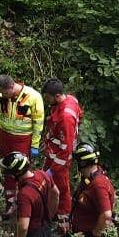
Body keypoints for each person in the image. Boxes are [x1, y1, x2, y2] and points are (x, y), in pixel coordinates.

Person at [0, 74, 44, 213]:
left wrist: (35, 144)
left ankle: (25, 200)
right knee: (7, 169)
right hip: (5, 136)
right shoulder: (0, 95)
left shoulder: (33, 97)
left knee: (21, 170)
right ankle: (10, 201)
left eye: (5, 93)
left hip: (22, 138)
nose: (3, 95)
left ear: (11, 86)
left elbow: (38, 123)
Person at [3, 151, 58, 237]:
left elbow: (23, 226)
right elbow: (56, 193)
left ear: (15, 174)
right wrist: (50, 215)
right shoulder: (42, 174)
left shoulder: (25, 195)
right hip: (46, 232)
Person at [41, 79, 83, 226]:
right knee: (50, 185)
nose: (47, 100)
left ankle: (63, 219)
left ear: (57, 96)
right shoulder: (71, 100)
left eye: (48, 97)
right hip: (53, 153)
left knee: (61, 188)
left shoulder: (66, 117)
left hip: (60, 158)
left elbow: (66, 147)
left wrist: (54, 169)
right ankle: (50, 210)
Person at [70, 143, 116, 237]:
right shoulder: (90, 178)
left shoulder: (98, 184)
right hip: (80, 233)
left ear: (82, 163)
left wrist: (95, 234)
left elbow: (106, 214)